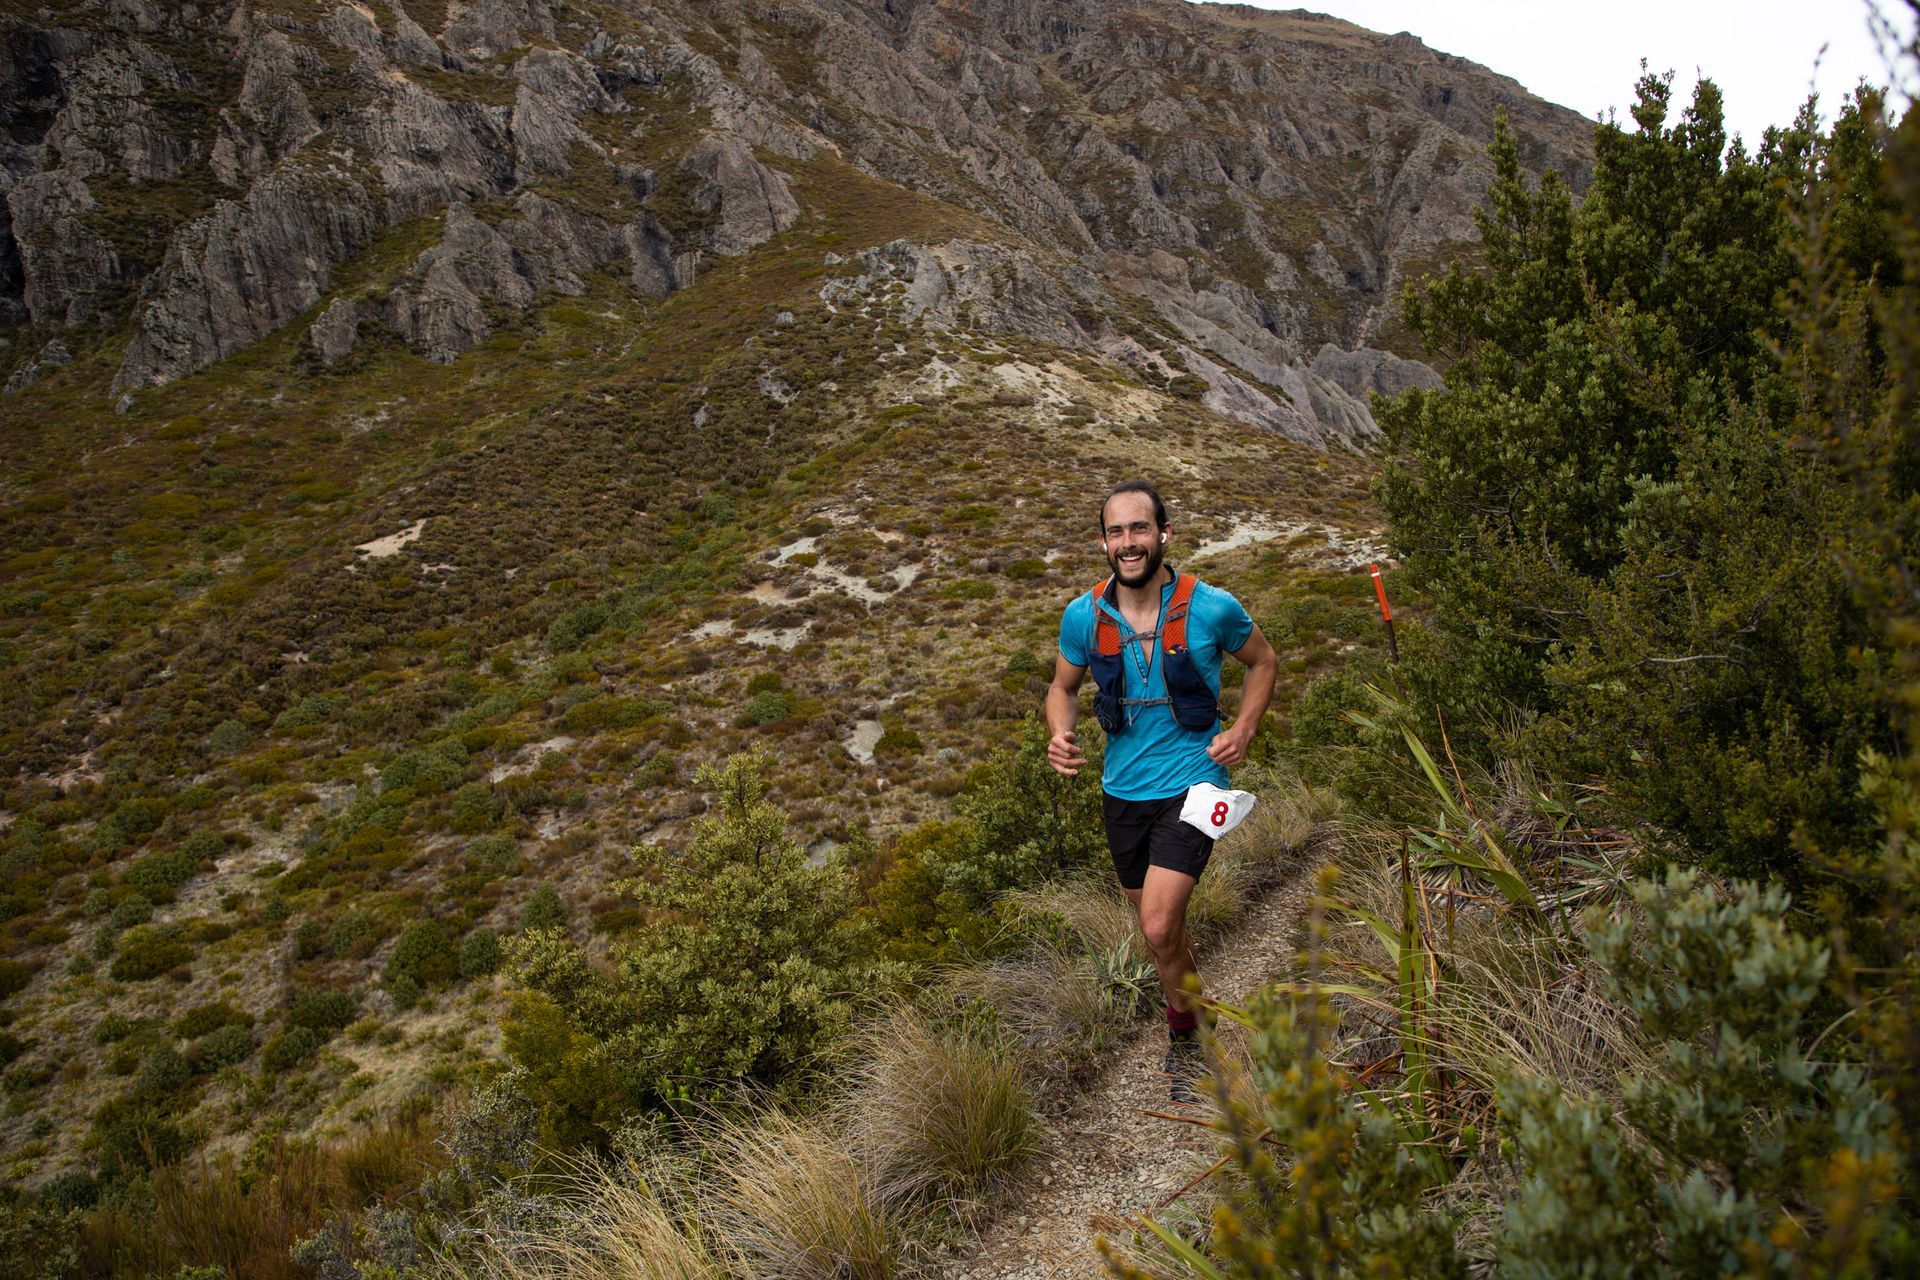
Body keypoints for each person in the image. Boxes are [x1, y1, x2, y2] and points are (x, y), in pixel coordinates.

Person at [1045, 480, 1277, 1103]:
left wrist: (1245, 729)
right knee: (1162, 934)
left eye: (1140, 529)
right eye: (1116, 532)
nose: (1129, 543)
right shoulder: (1083, 616)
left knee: (1155, 923)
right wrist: (1060, 734)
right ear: (1103, 541)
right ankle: (1197, 1017)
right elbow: (1062, 689)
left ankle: (1187, 1042)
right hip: (1122, 791)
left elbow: (1263, 662)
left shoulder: (1212, 607)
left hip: (1196, 782)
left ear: (1163, 534)